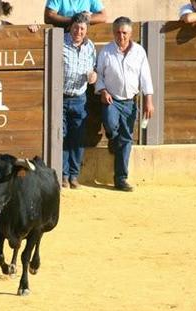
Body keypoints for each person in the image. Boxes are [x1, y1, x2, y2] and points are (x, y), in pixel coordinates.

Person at [95, 16, 154, 192]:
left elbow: (145, 77)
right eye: (118, 32)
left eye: (125, 33)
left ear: (131, 33)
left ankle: (121, 178)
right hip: (111, 100)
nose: (121, 36)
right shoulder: (106, 51)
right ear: (114, 33)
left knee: (126, 138)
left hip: (130, 101)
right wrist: (103, 91)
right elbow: (99, 75)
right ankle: (113, 139)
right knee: (112, 127)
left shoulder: (139, 52)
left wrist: (148, 100)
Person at [61, 13, 97, 189]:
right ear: (70, 27)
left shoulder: (90, 47)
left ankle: (73, 176)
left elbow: (93, 69)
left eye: (82, 28)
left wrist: (93, 75)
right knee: (61, 136)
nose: (78, 31)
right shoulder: (60, 42)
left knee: (77, 138)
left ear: (86, 30)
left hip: (79, 98)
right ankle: (63, 175)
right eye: (76, 27)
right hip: (59, 97)